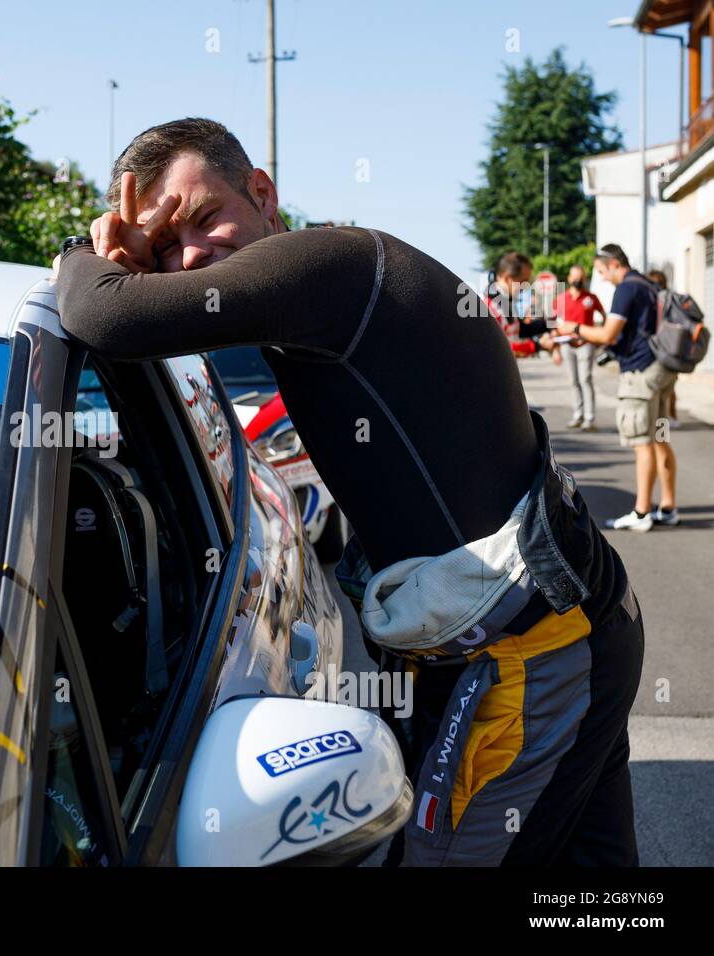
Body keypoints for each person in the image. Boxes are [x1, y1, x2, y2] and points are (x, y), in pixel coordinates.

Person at [55, 118, 643, 866]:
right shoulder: (315, 301)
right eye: (167, 246)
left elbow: (102, 314)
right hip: (564, 624)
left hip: (528, 653)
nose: (191, 254)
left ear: (262, 191)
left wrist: (84, 250)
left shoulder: (329, 265)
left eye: (203, 218)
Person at [560, 245, 679, 530]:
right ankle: (668, 506)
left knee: (643, 442)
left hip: (640, 378)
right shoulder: (648, 285)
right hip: (662, 376)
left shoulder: (626, 289)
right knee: (661, 437)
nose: (601, 278)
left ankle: (641, 513)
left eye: (601, 272)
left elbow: (609, 333)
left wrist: (573, 329)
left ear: (613, 264)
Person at [552, 264, 604, 431]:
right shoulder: (560, 299)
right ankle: (578, 414)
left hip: (585, 343)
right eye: (575, 278)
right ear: (569, 279)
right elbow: (552, 323)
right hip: (567, 344)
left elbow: (604, 316)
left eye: (581, 278)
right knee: (573, 381)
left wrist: (598, 335)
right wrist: (555, 348)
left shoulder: (591, 298)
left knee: (585, 379)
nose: (578, 281)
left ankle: (589, 418)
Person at [487, 252, 561, 362]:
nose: (526, 287)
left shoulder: (505, 301)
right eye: (523, 281)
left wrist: (548, 325)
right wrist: (537, 345)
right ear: (507, 278)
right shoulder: (492, 308)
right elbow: (499, 349)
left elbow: (518, 329)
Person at [647, 269, 680, 427]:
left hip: (657, 359)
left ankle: (659, 437)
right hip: (671, 358)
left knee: (656, 401)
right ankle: (662, 437)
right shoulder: (673, 301)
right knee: (663, 401)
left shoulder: (653, 303)